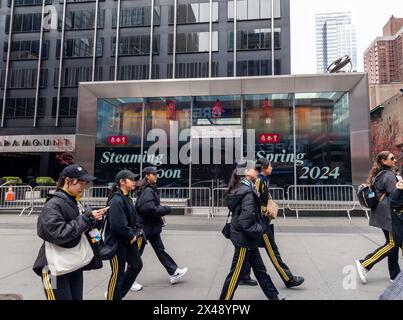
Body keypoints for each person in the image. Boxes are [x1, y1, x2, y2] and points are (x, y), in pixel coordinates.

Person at [33, 164, 106, 300]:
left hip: (73, 264)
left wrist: (95, 220)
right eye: (80, 183)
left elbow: (82, 229)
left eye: (85, 183)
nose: (83, 187)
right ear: (67, 181)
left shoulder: (75, 202)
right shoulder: (53, 204)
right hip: (51, 270)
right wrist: (86, 219)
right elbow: (56, 233)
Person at [219, 160, 281, 300]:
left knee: (261, 271)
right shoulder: (247, 192)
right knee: (235, 275)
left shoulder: (243, 188)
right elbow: (246, 222)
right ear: (246, 173)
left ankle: (274, 298)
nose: (257, 171)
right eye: (254, 169)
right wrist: (261, 229)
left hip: (247, 239)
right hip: (244, 240)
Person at [239, 159, 304, 288]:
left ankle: (244, 276)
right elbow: (253, 201)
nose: (272, 168)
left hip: (259, 221)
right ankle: (288, 278)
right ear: (262, 168)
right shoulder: (258, 180)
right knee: (273, 251)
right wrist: (265, 211)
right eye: (270, 166)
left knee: (249, 249)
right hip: (260, 222)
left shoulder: (262, 180)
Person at [135, 166, 188, 286]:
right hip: (144, 229)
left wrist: (159, 215)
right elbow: (147, 208)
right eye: (154, 174)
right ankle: (127, 279)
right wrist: (165, 209)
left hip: (151, 227)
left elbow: (150, 208)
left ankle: (173, 272)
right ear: (147, 176)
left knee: (160, 250)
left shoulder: (149, 189)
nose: (157, 176)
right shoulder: (147, 190)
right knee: (135, 255)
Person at [356, 151, 400, 284]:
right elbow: (395, 196)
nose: (395, 160)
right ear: (384, 161)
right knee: (392, 243)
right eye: (392, 158)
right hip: (389, 214)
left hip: (383, 212)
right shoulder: (389, 175)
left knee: (395, 244)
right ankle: (365, 263)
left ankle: (395, 275)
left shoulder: (380, 174)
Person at [104, 170, 144, 300]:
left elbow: (132, 219)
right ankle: (113, 297)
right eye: (131, 179)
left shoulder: (127, 198)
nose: (134, 182)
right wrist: (131, 235)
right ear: (122, 181)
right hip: (117, 244)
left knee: (137, 265)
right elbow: (117, 225)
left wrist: (137, 231)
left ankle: (118, 295)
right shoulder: (116, 200)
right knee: (118, 273)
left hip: (128, 241)